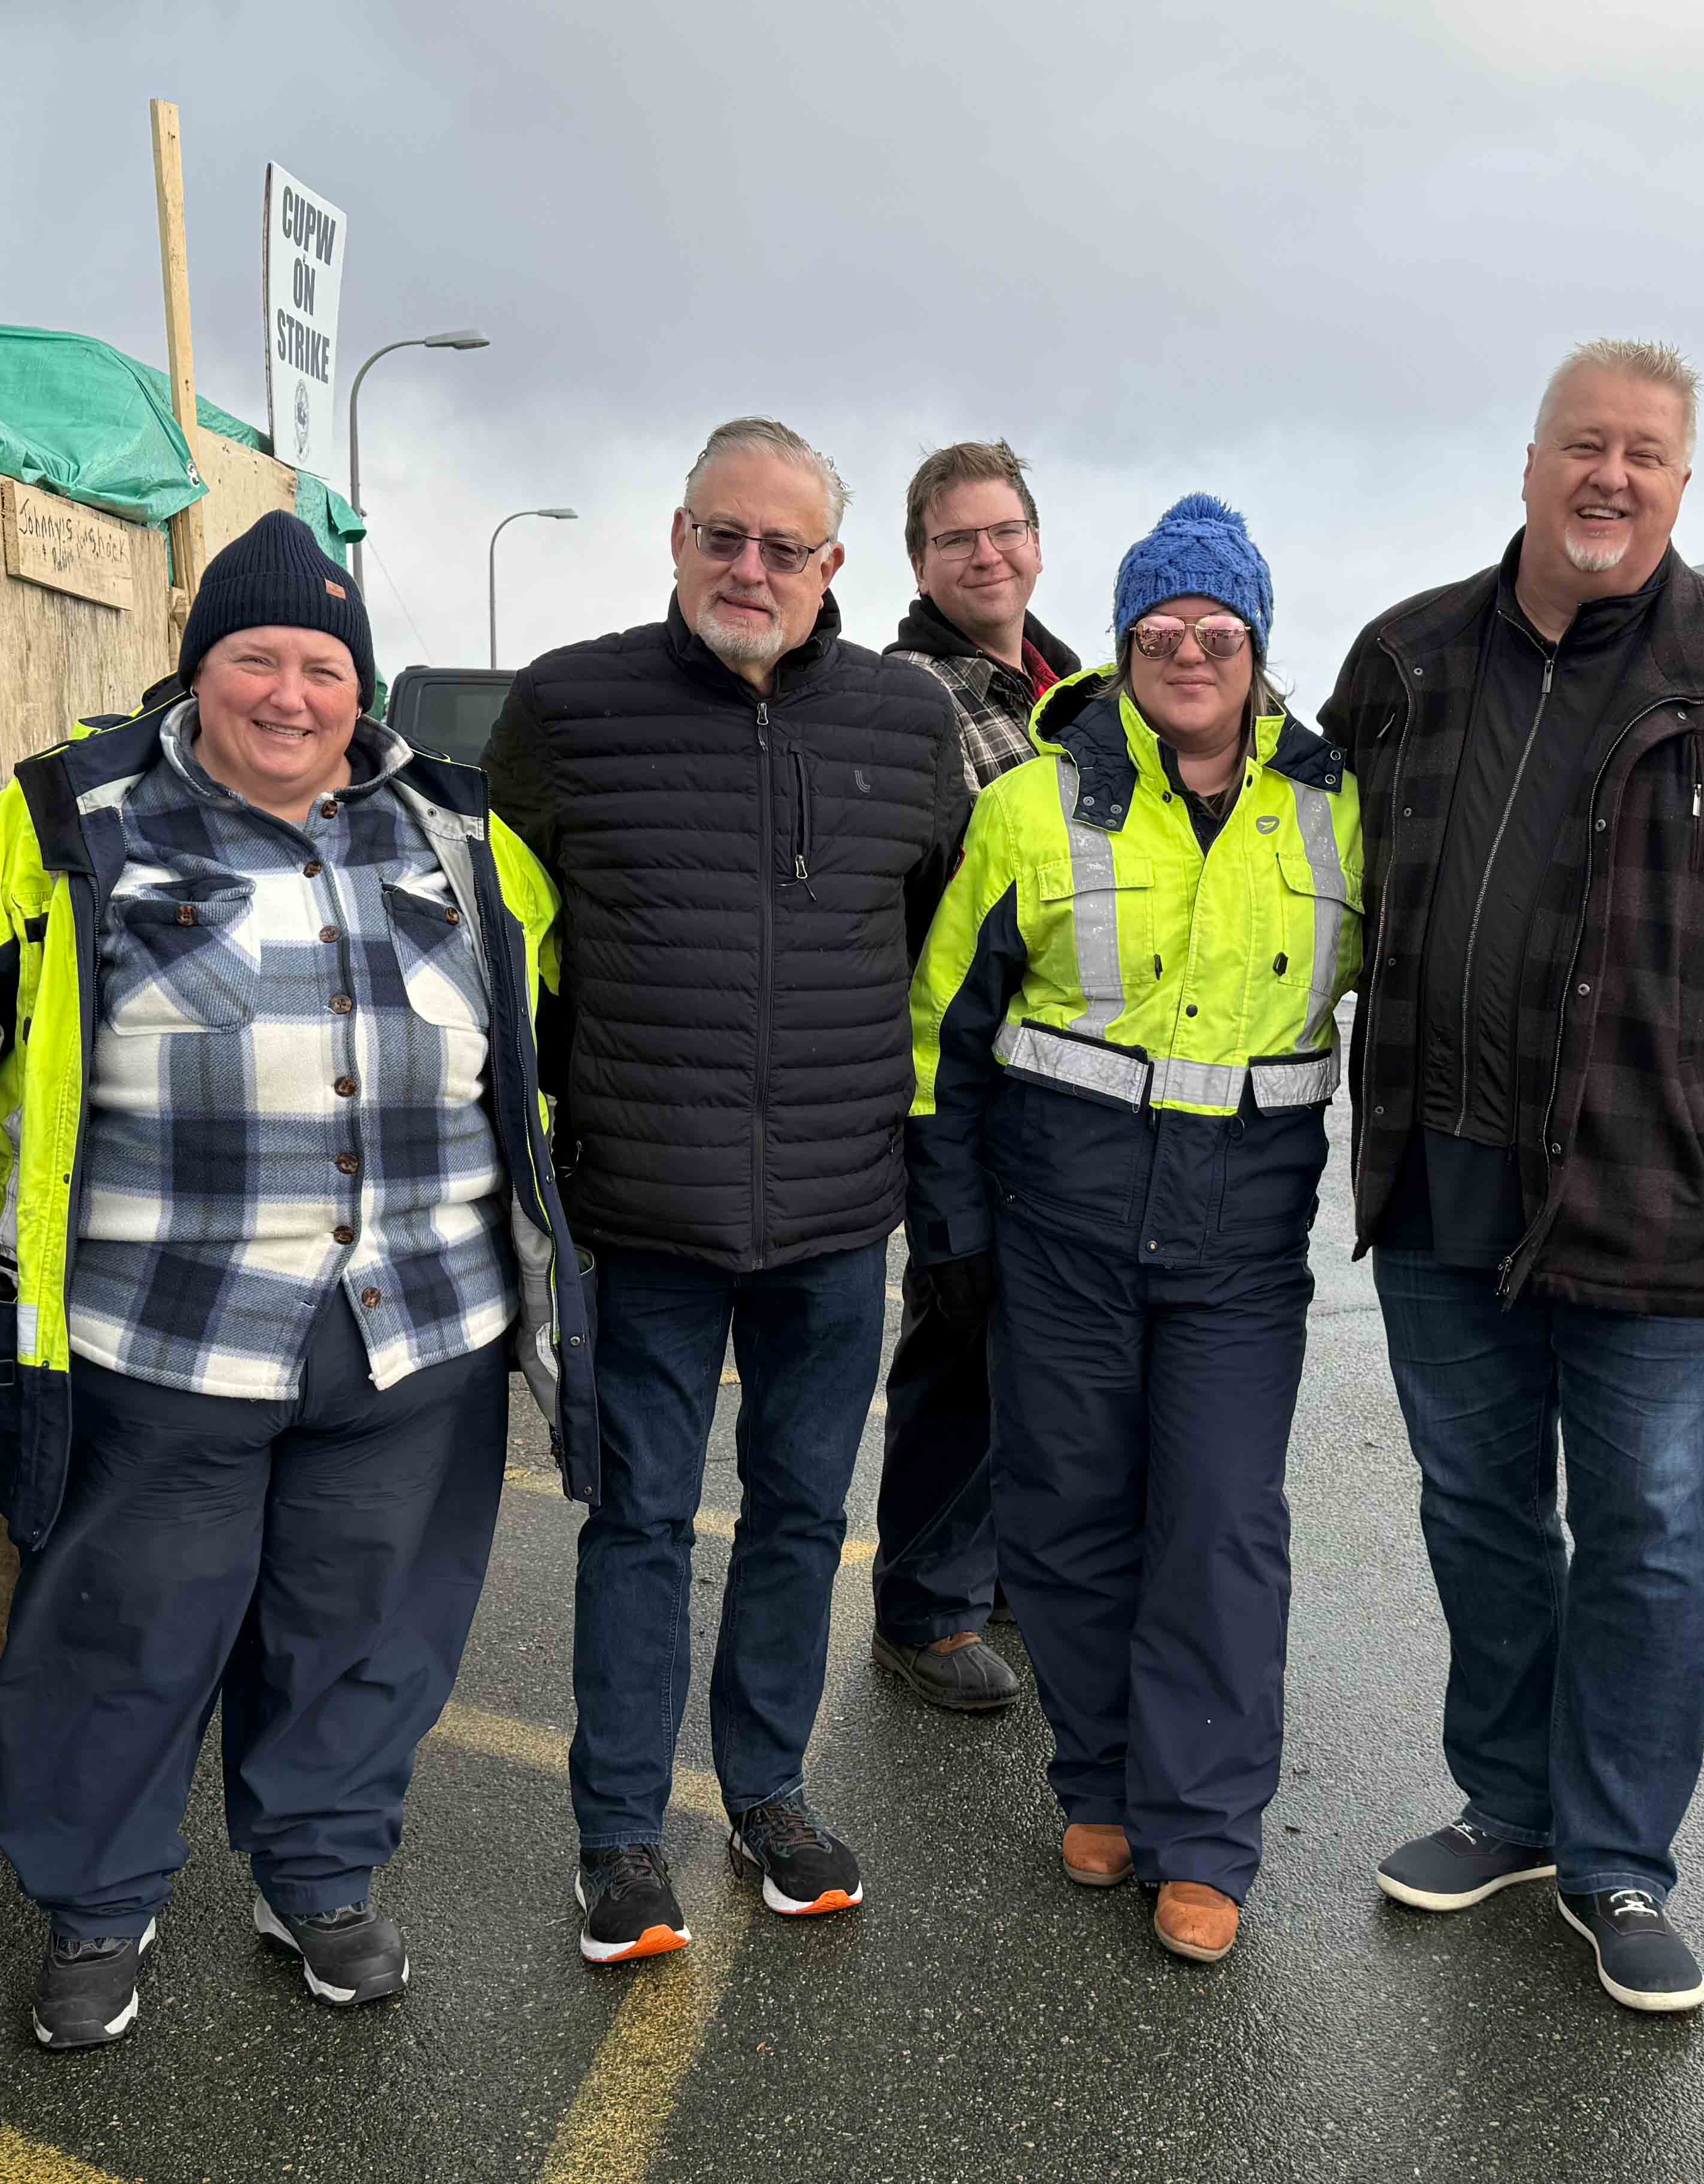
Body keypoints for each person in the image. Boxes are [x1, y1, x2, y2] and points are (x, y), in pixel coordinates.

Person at [0, 509, 592, 2050]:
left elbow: (540, 1044)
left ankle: (318, 1873)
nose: (291, 693)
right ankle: (98, 1903)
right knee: (122, 1632)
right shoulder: (55, 825)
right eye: (256, 657)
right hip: (157, 1334)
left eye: (323, 663)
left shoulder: (463, 834)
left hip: (416, 1328)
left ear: (358, 681)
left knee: (366, 1626)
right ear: (197, 668)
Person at [1320, 340, 1704, 2014]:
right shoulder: (1408, 659)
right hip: (1439, 1187)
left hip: (1669, 1202)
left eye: (1646, 454)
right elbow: (1288, 862)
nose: (1612, 477)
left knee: (1647, 1538)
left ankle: (1619, 1859)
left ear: (1683, 483)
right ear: (1528, 461)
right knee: (1481, 1517)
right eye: (1586, 445)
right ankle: (1508, 1804)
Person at [486, 417, 968, 1966]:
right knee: (637, 1524)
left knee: (800, 1515)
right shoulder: (568, 708)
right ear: (677, 537)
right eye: (722, 537)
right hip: (642, 1209)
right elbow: (506, 941)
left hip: (837, 1213)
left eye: (783, 547)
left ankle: (767, 1791)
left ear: (833, 566)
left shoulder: (907, 724)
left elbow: (932, 933)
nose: (748, 569)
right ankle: (619, 1834)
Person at [908, 495, 1359, 1963]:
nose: (1186, 652)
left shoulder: (1334, 807)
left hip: (1237, 1249)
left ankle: (1205, 1834)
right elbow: (942, 1037)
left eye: (1213, 632)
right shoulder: (1030, 802)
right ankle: (1096, 1780)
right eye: (1158, 631)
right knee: (1068, 1520)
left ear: (1256, 648)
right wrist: (958, 1230)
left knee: (1222, 1530)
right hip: (1061, 1235)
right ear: (1120, 646)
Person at [870, 440, 1082, 1713]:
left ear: (1036, 541)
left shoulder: (1061, 681)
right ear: (920, 560)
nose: (986, 555)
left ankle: (992, 1569)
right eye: (958, 539)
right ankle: (923, 1604)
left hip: (1066, 1068)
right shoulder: (908, 694)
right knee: (960, 1325)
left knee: (1036, 1336)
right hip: (966, 1052)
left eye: (1004, 530)